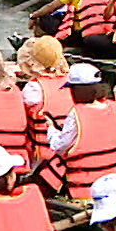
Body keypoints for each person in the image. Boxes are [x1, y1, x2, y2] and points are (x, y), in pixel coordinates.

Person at [34, 63, 116, 199]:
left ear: (77, 90)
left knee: (50, 167)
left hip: (85, 186)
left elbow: (59, 146)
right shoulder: (114, 107)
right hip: (111, 177)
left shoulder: (77, 113)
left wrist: (51, 129)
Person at [16, 35, 74, 164]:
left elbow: (20, 112)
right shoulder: (72, 82)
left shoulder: (34, 88)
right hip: (71, 149)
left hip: (42, 155)